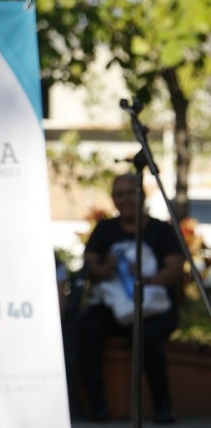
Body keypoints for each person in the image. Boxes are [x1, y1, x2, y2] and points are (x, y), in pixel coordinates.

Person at [77, 172, 184, 424]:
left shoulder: (161, 230)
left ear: (142, 195)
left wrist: (144, 280)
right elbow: (90, 266)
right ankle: (97, 406)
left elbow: (175, 268)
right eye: (119, 194)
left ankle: (162, 406)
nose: (125, 199)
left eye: (130, 193)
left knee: (146, 337)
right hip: (113, 307)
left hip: (154, 307)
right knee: (87, 328)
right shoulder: (104, 229)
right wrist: (106, 269)